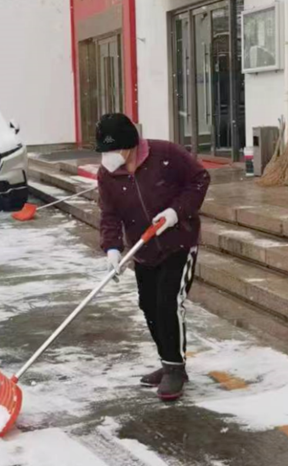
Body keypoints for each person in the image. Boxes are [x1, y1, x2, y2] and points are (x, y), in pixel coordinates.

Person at [96, 113, 210, 401]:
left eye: (112, 150)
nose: (108, 157)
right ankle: (167, 360)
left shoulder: (166, 154)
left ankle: (175, 368)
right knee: (148, 304)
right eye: (103, 151)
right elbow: (109, 214)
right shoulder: (108, 174)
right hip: (143, 249)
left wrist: (175, 212)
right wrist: (111, 248)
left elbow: (199, 179)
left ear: (130, 145)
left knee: (168, 301)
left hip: (178, 242)